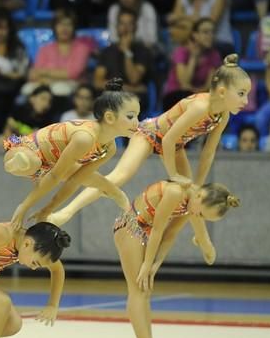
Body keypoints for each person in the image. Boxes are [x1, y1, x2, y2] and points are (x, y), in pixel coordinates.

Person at [47, 55, 250, 228]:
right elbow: (168, 139)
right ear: (222, 92)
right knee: (119, 176)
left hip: (175, 145)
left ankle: (199, 238)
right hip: (151, 134)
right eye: (241, 94)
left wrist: (197, 184)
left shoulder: (223, 115)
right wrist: (173, 175)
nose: (246, 101)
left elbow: (208, 153)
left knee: (191, 195)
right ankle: (67, 212)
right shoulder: (199, 107)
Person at [114, 180, 239, 338]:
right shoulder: (175, 192)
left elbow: (169, 234)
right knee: (138, 289)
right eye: (202, 214)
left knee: (145, 290)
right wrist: (147, 264)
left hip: (144, 231)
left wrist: (155, 265)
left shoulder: (190, 203)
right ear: (199, 195)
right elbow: (157, 229)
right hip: (131, 227)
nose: (199, 217)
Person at [3, 79, 139, 229]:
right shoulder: (84, 137)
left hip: (53, 164)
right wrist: (24, 206)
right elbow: (54, 176)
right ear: (110, 117)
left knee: (101, 183)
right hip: (27, 149)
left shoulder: (109, 148)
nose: (137, 123)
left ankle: (123, 201)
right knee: (30, 162)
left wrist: (47, 210)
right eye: (131, 116)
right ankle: (16, 163)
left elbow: (75, 181)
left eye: (137, 116)